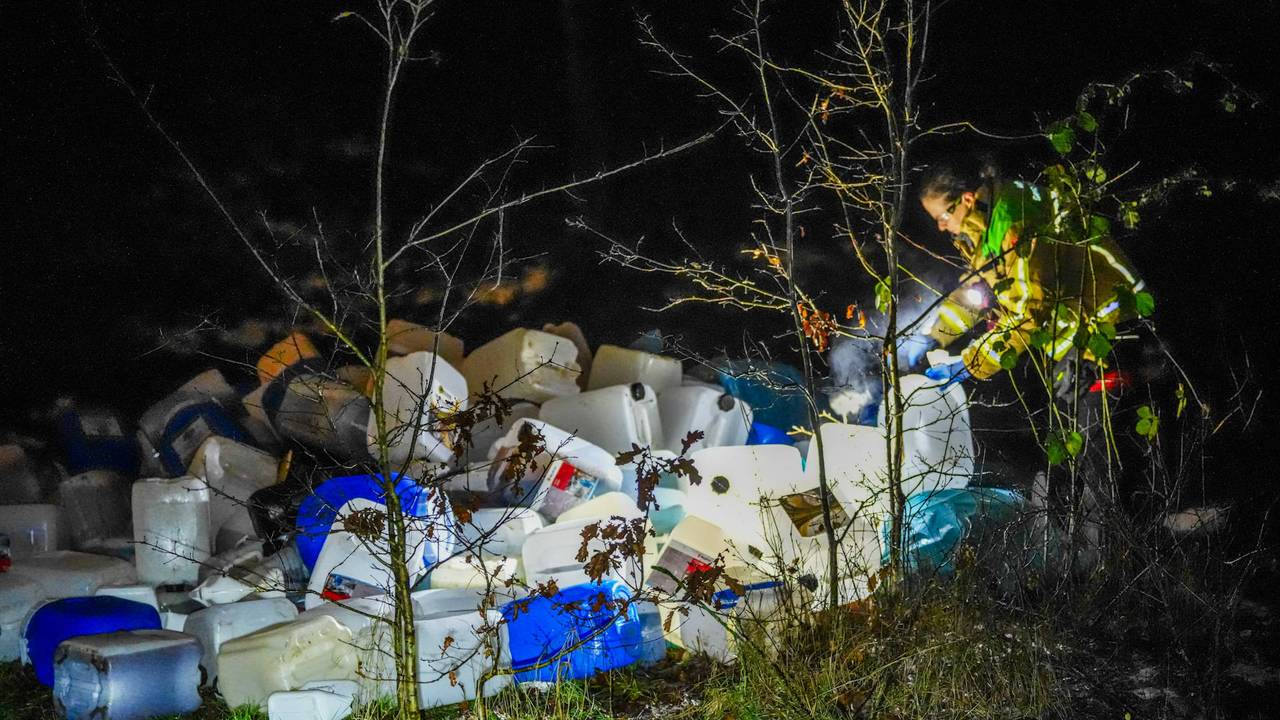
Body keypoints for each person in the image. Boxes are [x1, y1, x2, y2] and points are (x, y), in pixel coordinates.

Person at [903, 155, 1163, 513]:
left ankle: (1127, 547)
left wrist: (969, 363)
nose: (943, 228)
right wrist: (934, 336)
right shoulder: (985, 224)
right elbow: (978, 290)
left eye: (943, 217)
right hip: (1074, 338)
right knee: (1069, 445)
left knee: (1098, 450)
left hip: (1109, 325)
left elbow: (1029, 313)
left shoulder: (1015, 219)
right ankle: (1091, 538)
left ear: (964, 200)